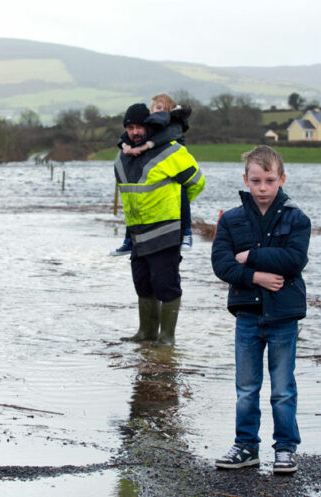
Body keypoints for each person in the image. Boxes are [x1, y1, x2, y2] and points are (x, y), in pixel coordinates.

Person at [211, 146, 310, 474]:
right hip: (247, 316)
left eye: (269, 180)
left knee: (282, 388)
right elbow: (222, 264)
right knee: (246, 387)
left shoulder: (297, 218)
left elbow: (294, 261)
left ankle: (285, 448)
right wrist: (257, 276)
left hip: (284, 316)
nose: (263, 187)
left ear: (282, 179)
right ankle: (245, 446)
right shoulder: (231, 219)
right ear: (246, 179)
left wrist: (250, 256)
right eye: (256, 180)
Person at [115, 103, 205, 347]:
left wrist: (174, 207)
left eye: (139, 127)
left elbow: (197, 182)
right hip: (137, 234)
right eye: (130, 127)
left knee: (167, 286)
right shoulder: (121, 157)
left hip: (165, 231)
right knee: (143, 284)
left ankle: (167, 338)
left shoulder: (171, 151)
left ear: (149, 127)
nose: (135, 132)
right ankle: (146, 333)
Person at [110, 93, 193, 256]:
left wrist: (145, 146)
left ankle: (187, 233)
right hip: (155, 167)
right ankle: (129, 239)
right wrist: (125, 145)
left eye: (162, 108)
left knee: (181, 194)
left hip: (175, 163)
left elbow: (167, 137)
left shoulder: (172, 124)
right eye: (155, 107)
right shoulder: (152, 123)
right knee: (133, 197)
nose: (157, 111)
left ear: (169, 111)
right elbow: (123, 137)